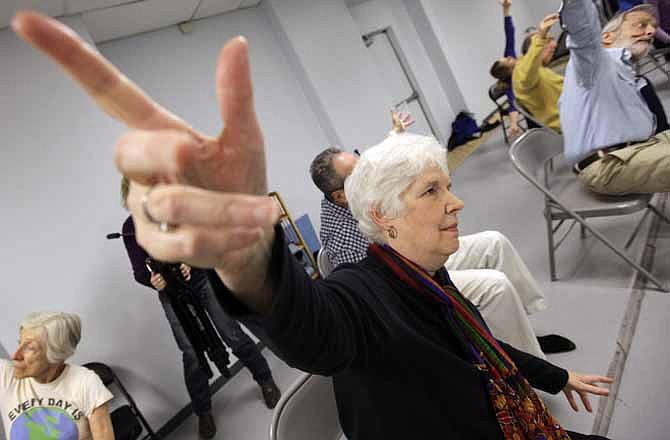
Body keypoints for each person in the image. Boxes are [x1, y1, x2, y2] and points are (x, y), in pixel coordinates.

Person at [13, 12, 614, 440]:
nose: (457, 203)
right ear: (379, 216)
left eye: (447, 187)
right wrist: (249, 253)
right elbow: (317, 331)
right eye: (436, 191)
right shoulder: (365, 293)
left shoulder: (426, 276)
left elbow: (475, 345)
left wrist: (554, 377)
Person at [311, 143, 575, 357]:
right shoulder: (340, 235)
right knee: (495, 286)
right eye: (358, 175)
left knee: (495, 242)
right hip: (408, 283)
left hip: (419, 255)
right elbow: (381, 287)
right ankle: (528, 364)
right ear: (340, 196)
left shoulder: (364, 197)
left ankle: (524, 332)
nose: (367, 176)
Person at [119, 178, 281, 439]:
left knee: (233, 335)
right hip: (173, 297)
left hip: (203, 281)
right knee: (191, 353)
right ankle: (203, 412)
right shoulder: (130, 229)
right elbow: (139, 271)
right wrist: (152, 280)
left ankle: (265, 380)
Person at [560, 1, 670, 194]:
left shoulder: (631, 76)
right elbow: (582, 26)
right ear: (607, 37)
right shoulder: (595, 63)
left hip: (642, 147)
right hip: (609, 163)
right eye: (641, 25)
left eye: (653, 27)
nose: (651, 32)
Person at [0, 312, 114, 440]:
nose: (15, 356)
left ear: (56, 355)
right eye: (19, 343)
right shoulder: (5, 375)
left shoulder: (85, 382)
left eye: (30, 348)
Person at [512, 13, 564, 132]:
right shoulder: (522, 72)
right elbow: (526, 75)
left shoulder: (539, 69)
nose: (554, 45)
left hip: (575, 110)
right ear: (533, 48)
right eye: (548, 41)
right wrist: (541, 36)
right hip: (569, 120)